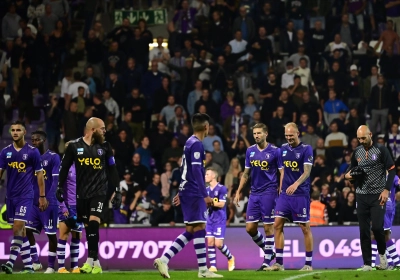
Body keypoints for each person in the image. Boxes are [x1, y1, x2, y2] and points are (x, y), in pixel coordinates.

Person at [153, 113, 222, 278]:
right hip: (194, 191)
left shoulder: (189, 142)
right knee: (199, 227)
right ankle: (203, 270)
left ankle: (164, 259)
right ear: (206, 127)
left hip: (187, 190)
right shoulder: (197, 144)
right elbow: (197, 171)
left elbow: (186, 170)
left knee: (192, 230)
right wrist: (205, 194)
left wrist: (181, 191)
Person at [56, 118, 122, 274]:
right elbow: (64, 168)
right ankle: (96, 264)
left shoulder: (105, 146)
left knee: (93, 223)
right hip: (82, 194)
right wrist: (59, 186)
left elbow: (112, 170)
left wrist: (117, 190)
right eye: (102, 128)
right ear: (93, 130)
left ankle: (89, 261)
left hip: (99, 192)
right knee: (88, 228)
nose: (105, 131)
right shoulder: (74, 146)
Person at [345, 125, 395, 271]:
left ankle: (383, 258)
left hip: (377, 195)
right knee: (364, 230)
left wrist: (386, 190)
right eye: (359, 138)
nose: (361, 141)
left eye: (363, 138)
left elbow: (392, 170)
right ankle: (367, 264)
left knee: (378, 228)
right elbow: (350, 170)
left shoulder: (381, 150)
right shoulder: (357, 151)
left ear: (370, 134)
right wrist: (347, 176)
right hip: (361, 195)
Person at [0, 121, 47, 274]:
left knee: (17, 228)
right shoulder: (5, 152)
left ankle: (10, 263)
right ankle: (28, 266)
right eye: (12, 130)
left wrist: (42, 196)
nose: (15, 132)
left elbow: (40, 175)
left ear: (24, 132)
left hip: (26, 196)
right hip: (11, 197)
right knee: (22, 232)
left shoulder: (33, 152)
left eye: (18, 130)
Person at [234, 123, 282, 270]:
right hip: (254, 193)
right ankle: (269, 251)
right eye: (254, 133)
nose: (256, 136)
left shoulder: (275, 151)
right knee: (250, 228)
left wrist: (281, 187)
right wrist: (238, 190)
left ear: (266, 134)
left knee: (268, 227)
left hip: (269, 192)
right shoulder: (250, 151)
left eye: (259, 133)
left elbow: (282, 171)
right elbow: (246, 173)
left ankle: (266, 261)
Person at [267, 122, 314, 271]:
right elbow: (283, 171)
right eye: (287, 135)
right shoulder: (283, 149)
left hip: (300, 194)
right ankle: (279, 263)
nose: (289, 138)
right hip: (285, 195)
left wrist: (296, 184)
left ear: (298, 133)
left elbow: (307, 171)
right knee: (277, 225)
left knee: (304, 228)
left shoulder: (306, 149)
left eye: (291, 135)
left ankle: (308, 264)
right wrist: (281, 187)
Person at [25, 131, 60, 273]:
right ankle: (35, 262)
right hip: (33, 202)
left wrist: (46, 197)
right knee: (26, 230)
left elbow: (56, 180)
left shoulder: (53, 157)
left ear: (44, 140)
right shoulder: (30, 159)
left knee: (51, 235)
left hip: (49, 203)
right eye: (32, 140)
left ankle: (51, 266)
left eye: (37, 140)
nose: (34, 142)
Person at [57, 141, 84, 273]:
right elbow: (58, 189)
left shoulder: (81, 166)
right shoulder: (63, 167)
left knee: (77, 236)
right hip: (67, 205)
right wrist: (63, 207)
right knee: (63, 235)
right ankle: (61, 267)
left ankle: (74, 267)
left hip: (79, 206)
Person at [205, 168, 235, 272]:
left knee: (219, 244)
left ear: (213, 176)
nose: (205, 176)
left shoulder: (222, 188)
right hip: (209, 219)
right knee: (210, 242)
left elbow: (222, 204)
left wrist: (210, 202)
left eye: (207, 174)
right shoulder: (206, 190)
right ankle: (213, 266)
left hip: (219, 219)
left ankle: (230, 257)